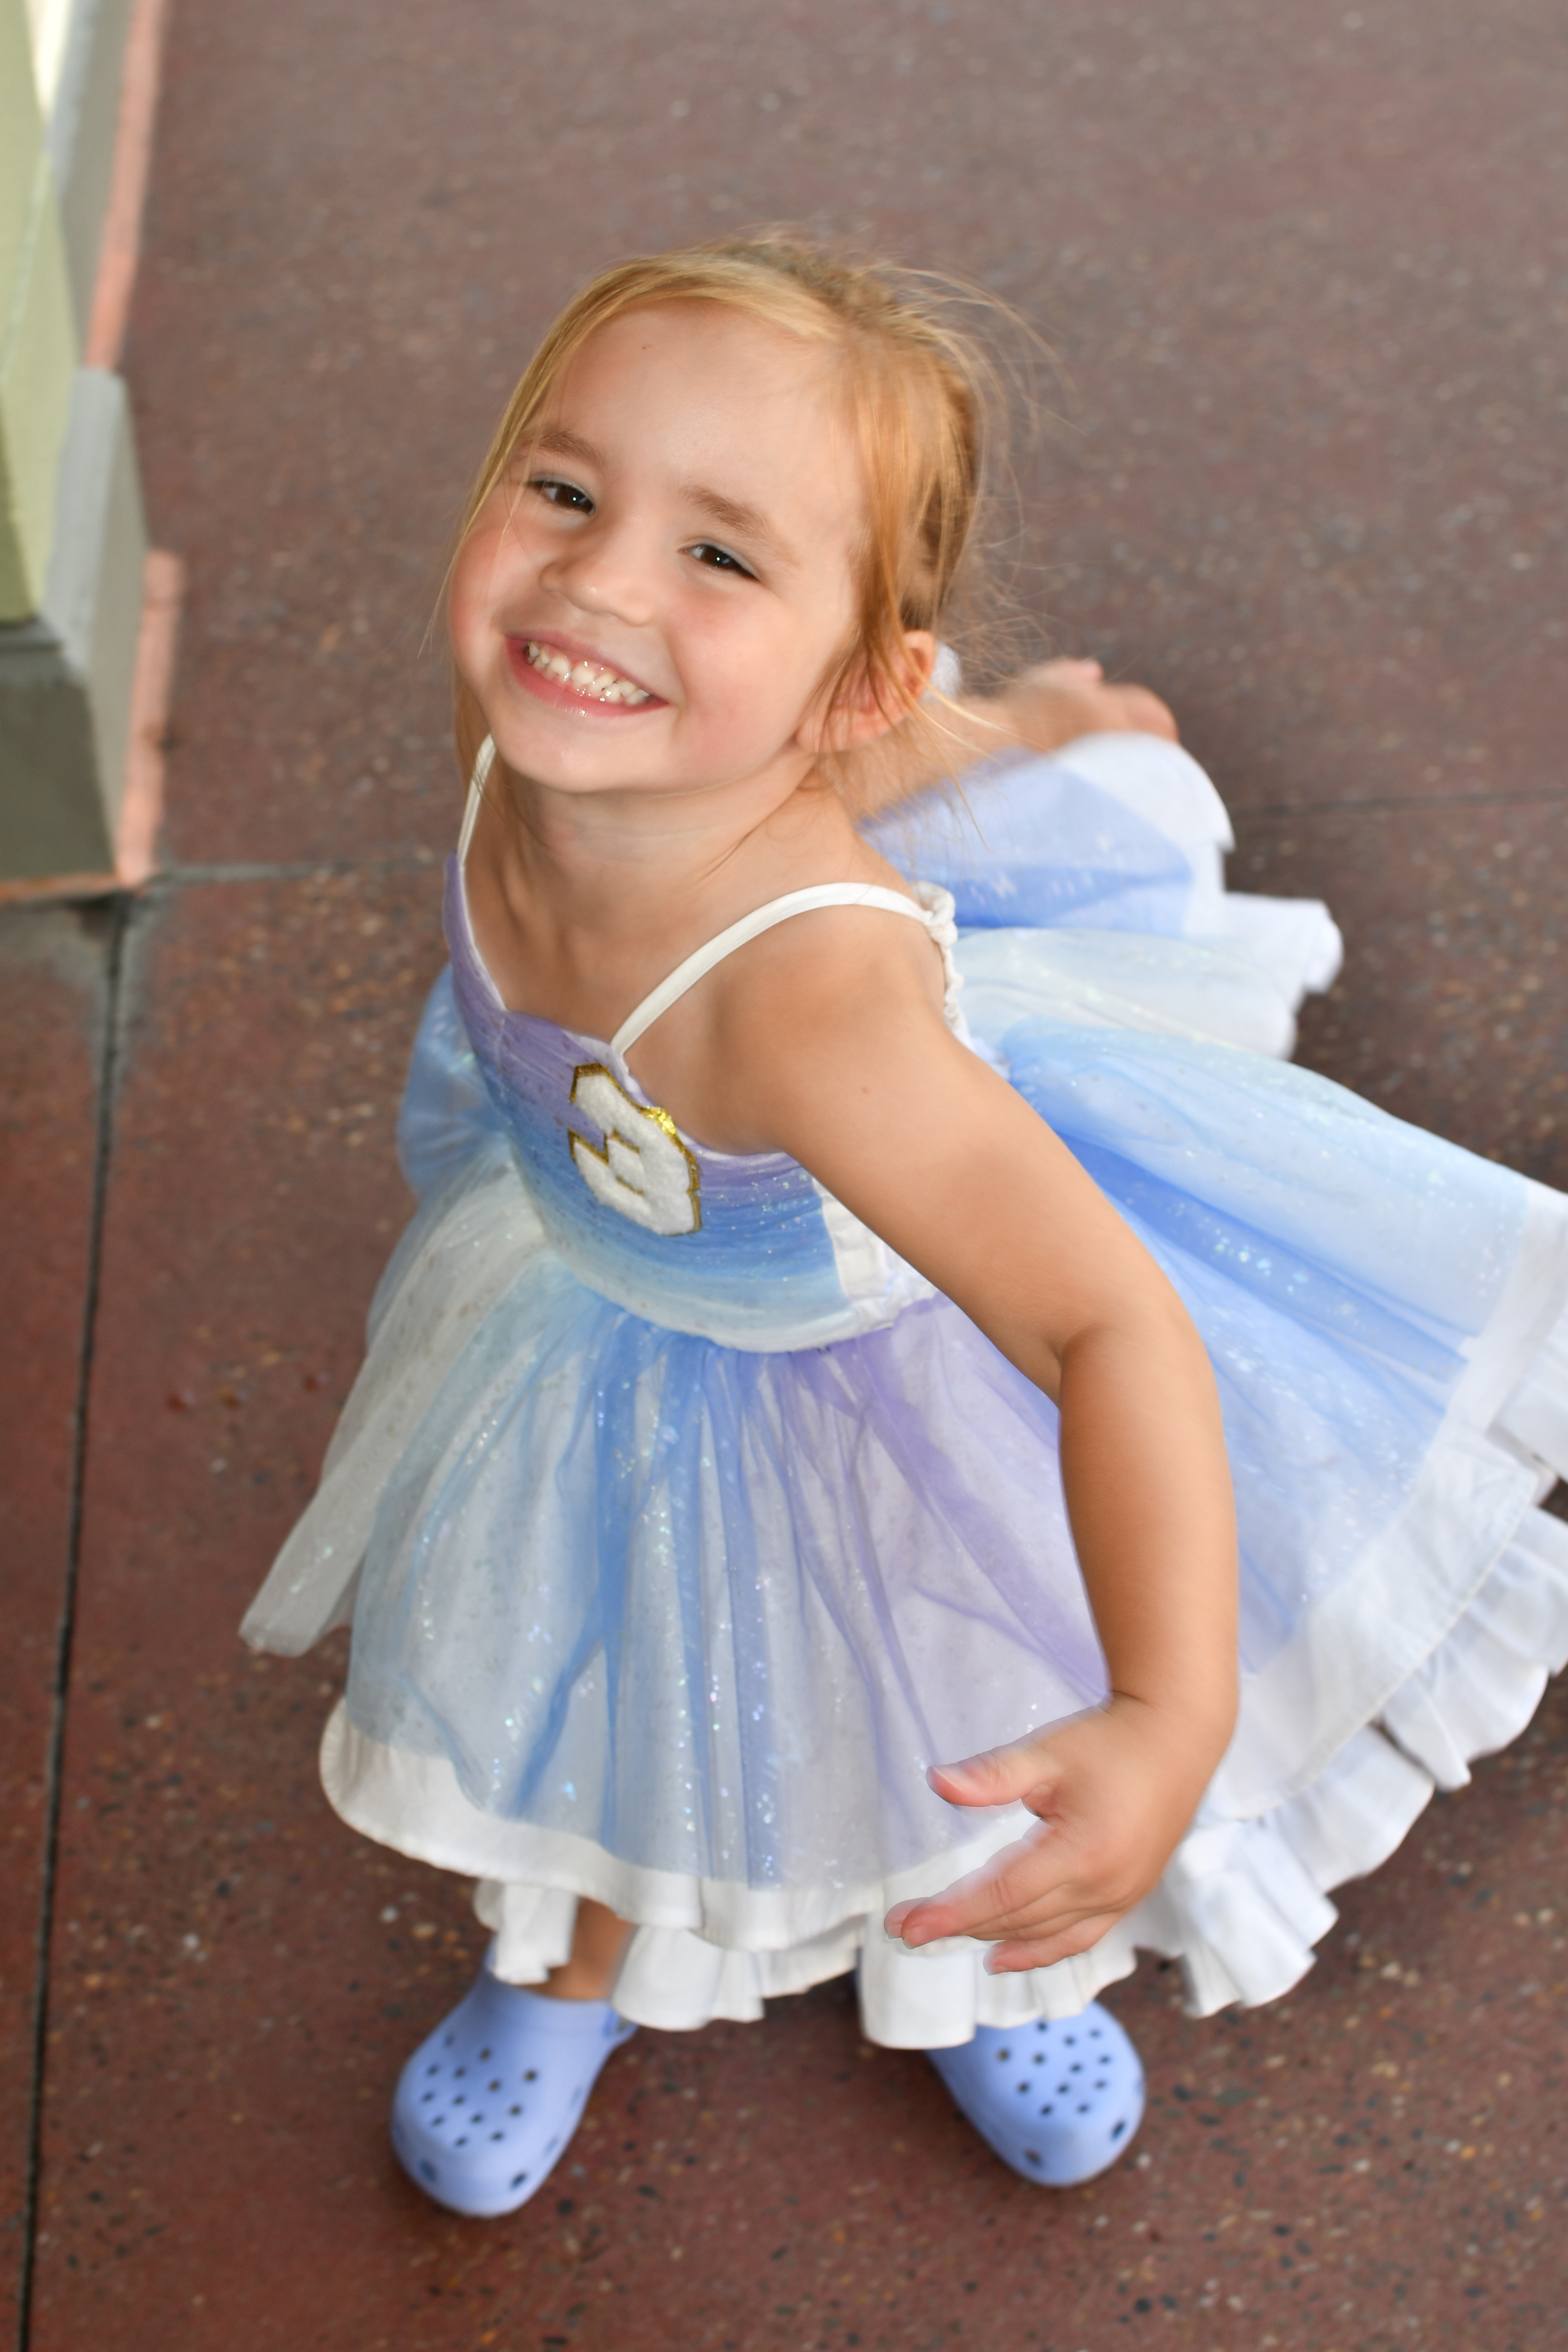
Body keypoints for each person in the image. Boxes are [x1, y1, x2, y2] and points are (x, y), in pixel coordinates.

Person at [243, 237, 1568, 2220]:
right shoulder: (542, 724)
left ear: (841, 680)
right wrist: (1016, 724)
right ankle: (571, 1960)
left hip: (870, 1395)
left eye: (717, 552)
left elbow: (1112, 1329)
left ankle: (983, 1964)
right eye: (565, 488)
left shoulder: (819, 1013)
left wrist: (1166, 1715)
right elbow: (856, 728)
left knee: (932, 1710)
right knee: (610, 1682)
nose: (597, 582)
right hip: (600, 1321)